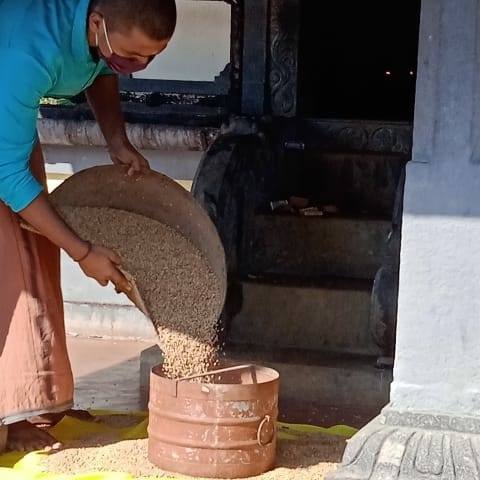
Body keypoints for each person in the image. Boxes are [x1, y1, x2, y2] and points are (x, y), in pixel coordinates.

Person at [0, 0, 177, 451]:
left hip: (9, 141)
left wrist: (116, 140)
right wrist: (83, 253)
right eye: (133, 55)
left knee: (35, 260)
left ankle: (31, 404)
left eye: (150, 58)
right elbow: (8, 177)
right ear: (97, 24)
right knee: (8, 271)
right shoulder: (28, 53)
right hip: (5, 154)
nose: (138, 66)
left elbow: (100, 70)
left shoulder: (99, 34)